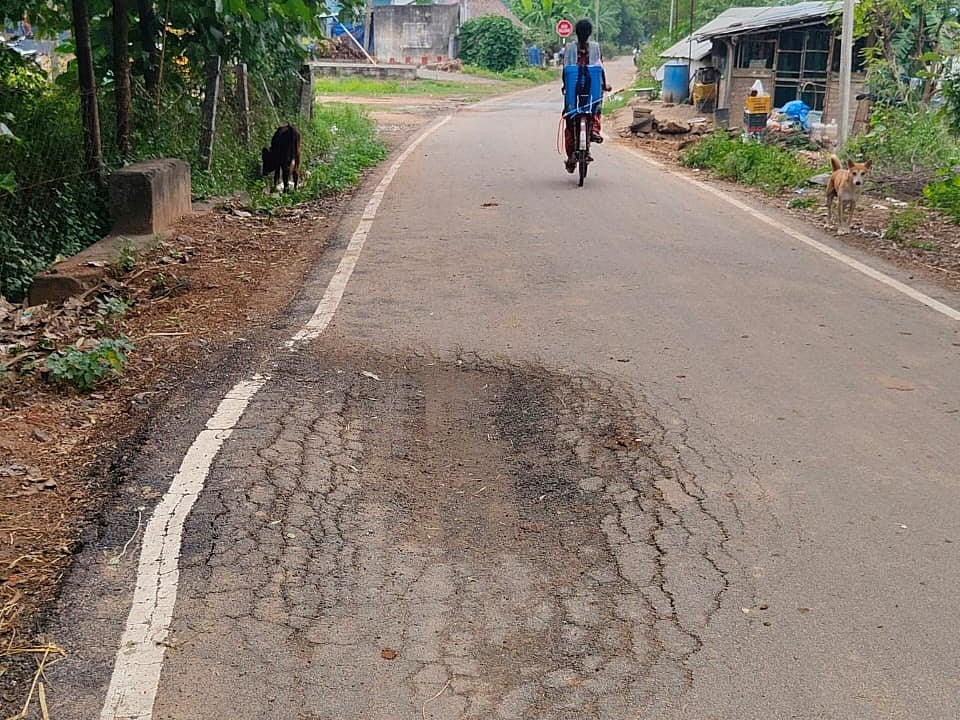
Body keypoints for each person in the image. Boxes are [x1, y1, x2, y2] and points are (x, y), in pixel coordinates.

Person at [561, 19, 611, 173]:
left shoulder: (569, 48)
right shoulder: (596, 48)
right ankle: (595, 130)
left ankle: (571, 156)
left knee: (569, 119)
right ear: (589, 33)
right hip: (591, 89)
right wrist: (605, 84)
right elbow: (600, 69)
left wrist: (564, 85)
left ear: (576, 32)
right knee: (595, 106)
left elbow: (565, 71)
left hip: (573, 88)